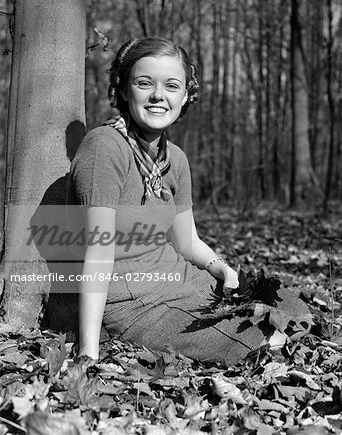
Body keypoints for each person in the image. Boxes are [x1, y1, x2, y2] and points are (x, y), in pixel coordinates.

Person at [68, 38, 311, 365]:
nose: (158, 96)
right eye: (144, 83)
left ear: (185, 96)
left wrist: (219, 266)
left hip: (181, 281)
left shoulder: (175, 159)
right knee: (261, 340)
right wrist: (88, 352)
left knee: (294, 310)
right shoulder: (104, 147)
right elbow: (97, 253)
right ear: (124, 90)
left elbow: (187, 241)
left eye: (171, 86)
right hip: (132, 304)